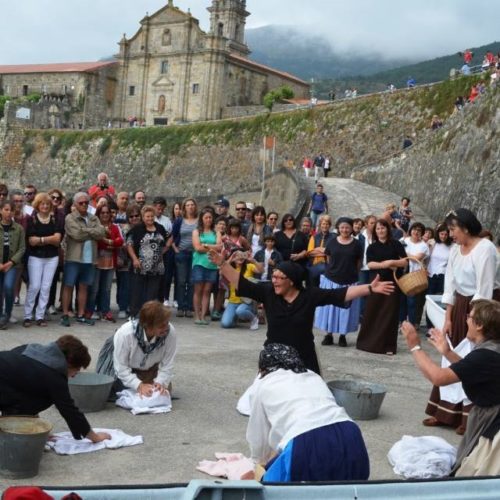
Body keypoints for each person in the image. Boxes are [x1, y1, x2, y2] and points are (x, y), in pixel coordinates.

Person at [210, 251, 394, 374]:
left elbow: (340, 294)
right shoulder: (267, 292)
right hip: (274, 356)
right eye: (272, 277)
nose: (274, 281)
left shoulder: (309, 295)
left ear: (291, 280)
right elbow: (242, 283)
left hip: (304, 356)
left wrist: (369, 288)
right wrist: (223, 264)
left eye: (279, 278)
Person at [402, 300, 500, 476]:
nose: (466, 320)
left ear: (479, 325)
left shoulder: (485, 355)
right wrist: (447, 353)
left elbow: (438, 377)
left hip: (494, 424)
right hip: (491, 416)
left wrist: (414, 345)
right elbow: (472, 370)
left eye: (470, 317)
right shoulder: (491, 350)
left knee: (476, 476)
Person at [246, 343, 370, 482]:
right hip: (349, 433)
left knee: (285, 490)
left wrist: (258, 465)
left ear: (263, 368)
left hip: (306, 441)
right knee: (347, 490)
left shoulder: (264, 384)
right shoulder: (313, 375)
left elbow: (259, 437)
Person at [424, 209, 498, 433]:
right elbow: (450, 284)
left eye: (453, 229)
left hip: (483, 309)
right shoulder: (456, 249)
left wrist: (474, 321)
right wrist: (448, 317)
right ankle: (446, 412)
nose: (450, 234)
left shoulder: (485, 248)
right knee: (451, 354)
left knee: (471, 356)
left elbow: (484, 289)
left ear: (466, 227)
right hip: (460, 307)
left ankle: (468, 418)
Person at [0, 335, 110, 443]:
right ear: (69, 363)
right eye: (77, 369)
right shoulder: (53, 376)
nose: (74, 375)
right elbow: (69, 411)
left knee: (35, 393)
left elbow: (21, 388)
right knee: (47, 397)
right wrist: (95, 438)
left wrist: (35, 429)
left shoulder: (30, 350)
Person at [97, 301, 177, 397]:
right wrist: (138, 385)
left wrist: (160, 382)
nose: (166, 328)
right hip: (119, 368)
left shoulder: (169, 331)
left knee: (158, 392)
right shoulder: (125, 334)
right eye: (161, 326)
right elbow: (121, 368)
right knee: (110, 391)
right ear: (148, 326)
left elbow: (167, 364)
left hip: (147, 368)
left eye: (167, 323)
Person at [356, 218, 407, 355]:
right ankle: (367, 343)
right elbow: (370, 264)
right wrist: (385, 264)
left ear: (387, 229)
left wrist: (392, 261)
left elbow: (404, 262)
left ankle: (388, 346)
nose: (380, 231)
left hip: (393, 282)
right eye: (378, 228)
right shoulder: (372, 247)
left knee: (390, 314)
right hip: (376, 281)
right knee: (372, 311)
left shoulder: (396, 244)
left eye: (383, 228)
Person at [316, 217, 363, 347]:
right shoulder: (332, 242)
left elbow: (358, 262)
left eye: (347, 227)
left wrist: (352, 272)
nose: (344, 230)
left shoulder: (357, 244)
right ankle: (328, 335)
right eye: (342, 227)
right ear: (338, 228)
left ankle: (343, 336)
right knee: (330, 308)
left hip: (349, 280)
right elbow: (329, 258)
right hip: (332, 279)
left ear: (351, 228)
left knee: (346, 310)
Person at [60, 192, 105, 327]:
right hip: (73, 257)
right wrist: (91, 232)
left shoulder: (93, 218)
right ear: (74, 204)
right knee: (68, 285)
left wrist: (85, 230)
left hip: (89, 258)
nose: (84, 205)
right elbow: (76, 234)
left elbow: (101, 233)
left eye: (86, 202)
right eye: (81, 203)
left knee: (83, 287)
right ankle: (65, 314)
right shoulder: (69, 218)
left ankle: (81, 314)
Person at [23, 193, 63, 327]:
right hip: (35, 257)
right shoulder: (32, 219)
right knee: (34, 286)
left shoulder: (54, 220)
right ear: (37, 205)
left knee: (46, 287)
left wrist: (40, 239)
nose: (45, 206)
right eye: (42, 204)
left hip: (52, 257)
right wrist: (48, 239)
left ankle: (40, 316)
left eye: (47, 204)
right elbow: (31, 241)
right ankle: (28, 315)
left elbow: (57, 240)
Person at [127, 205, 167, 318]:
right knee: (137, 292)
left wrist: (160, 254)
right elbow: (129, 245)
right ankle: (134, 315)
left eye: (151, 216)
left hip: (156, 267)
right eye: (147, 216)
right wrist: (134, 259)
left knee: (152, 293)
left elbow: (167, 240)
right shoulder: (137, 229)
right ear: (143, 217)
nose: (150, 218)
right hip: (140, 266)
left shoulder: (160, 228)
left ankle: (149, 316)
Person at [86, 205, 123, 322]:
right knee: (94, 288)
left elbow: (120, 241)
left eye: (107, 212)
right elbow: (98, 242)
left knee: (106, 288)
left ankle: (105, 310)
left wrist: (106, 241)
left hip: (110, 262)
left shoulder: (115, 227)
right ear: (98, 214)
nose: (105, 215)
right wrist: (111, 243)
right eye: (102, 213)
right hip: (97, 261)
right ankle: (91, 310)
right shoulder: (95, 227)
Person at [191, 208, 221, 325]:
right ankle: (197, 315)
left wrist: (206, 245)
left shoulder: (216, 232)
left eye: (210, 217)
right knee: (198, 290)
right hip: (199, 263)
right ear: (202, 219)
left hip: (212, 264)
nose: (208, 219)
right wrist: (212, 247)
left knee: (207, 290)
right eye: (206, 217)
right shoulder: (196, 232)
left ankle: (203, 316)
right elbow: (197, 248)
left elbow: (220, 247)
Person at [220, 250, 262, 331]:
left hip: (247, 301)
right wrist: (231, 258)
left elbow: (261, 270)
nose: (240, 257)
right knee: (225, 324)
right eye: (237, 255)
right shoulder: (230, 268)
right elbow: (221, 271)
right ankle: (235, 317)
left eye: (242, 255)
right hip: (233, 301)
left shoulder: (249, 266)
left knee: (240, 311)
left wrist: (253, 260)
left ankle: (254, 319)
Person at [0, 200, 25, 329]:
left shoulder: (19, 228)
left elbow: (22, 248)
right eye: (6, 209)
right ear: (1, 211)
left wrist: (11, 262)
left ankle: (7, 313)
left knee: (9, 287)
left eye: (11, 210)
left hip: (12, 265)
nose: (9, 213)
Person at [399, 222, 430, 328]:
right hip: (401, 273)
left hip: (414, 276)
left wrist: (403, 252)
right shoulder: (403, 241)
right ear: (410, 230)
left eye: (419, 230)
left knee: (412, 302)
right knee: (401, 300)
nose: (416, 232)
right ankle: (401, 322)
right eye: (414, 229)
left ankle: (411, 324)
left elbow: (417, 259)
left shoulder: (424, 246)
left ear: (422, 233)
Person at [172, 198, 198, 318]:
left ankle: (189, 307)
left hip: (195, 254)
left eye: (192, 205)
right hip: (182, 252)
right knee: (181, 281)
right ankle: (181, 306)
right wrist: (176, 249)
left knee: (192, 282)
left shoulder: (199, 221)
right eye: (188, 205)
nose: (190, 207)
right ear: (184, 208)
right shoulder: (179, 221)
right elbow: (172, 236)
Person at [425, 223, 452, 328]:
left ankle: (439, 324)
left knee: (441, 301)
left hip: (443, 276)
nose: (443, 236)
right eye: (442, 234)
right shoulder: (432, 243)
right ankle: (429, 326)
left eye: (446, 234)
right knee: (429, 300)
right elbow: (425, 257)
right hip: (431, 275)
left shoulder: (452, 246)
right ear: (438, 233)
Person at [306, 214, 335, 287]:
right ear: (320, 225)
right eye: (323, 224)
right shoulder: (314, 237)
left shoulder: (334, 237)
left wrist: (318, 249)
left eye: (327, 224)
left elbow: (333, 252)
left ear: (330, 225)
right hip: (314, 265)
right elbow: (310, 253)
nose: (325, 226)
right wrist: (325, 252)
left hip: (327, 265)